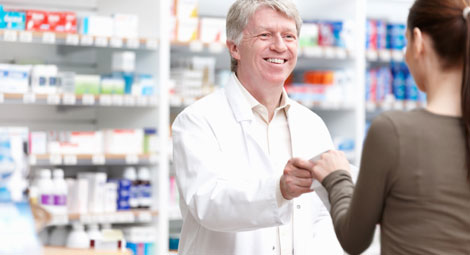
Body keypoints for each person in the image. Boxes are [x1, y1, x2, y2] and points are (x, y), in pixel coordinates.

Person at [171, 0, 343, 254]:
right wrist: (279, 190)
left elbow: (322, 216)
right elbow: (207, 203)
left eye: (289, 36)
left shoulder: (311, 125)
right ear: (234, 48)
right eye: (265, 35)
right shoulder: (198, 121)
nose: (280, 46)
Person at [309, 0, 470, 254]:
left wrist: (336, 177)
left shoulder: (393, 131)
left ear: (418, 42)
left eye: (405, 41)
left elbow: (354, 239)